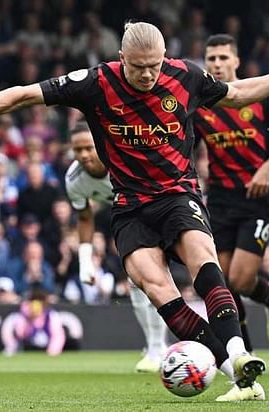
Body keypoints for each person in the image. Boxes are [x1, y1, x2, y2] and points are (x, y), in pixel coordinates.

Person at [0, 21, 269, 401]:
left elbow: (238, 93)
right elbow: (26, 94)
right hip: (130, 207)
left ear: (164, 57)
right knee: (159, 292)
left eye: (154, 65)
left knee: (204, 262)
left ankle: (240, 353)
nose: (147, 74)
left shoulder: (185, 75)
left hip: (177, 195)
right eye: (138, 66)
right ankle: (236, 376)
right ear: (122, 58)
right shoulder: (96, 82)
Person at [193, 34, 269, 351]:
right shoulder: (199, 106)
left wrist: (267, 168)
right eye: (212, 59)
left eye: (224, 58)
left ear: (236, 61)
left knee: (239, 279)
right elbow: (189, 150)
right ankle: (245, 351)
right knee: (222, 283)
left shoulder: (259, 95)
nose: (217, 64)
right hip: (221, 200)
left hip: (256, 199)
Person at [65, 121, 168, 373]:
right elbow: (85, 217)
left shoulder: (122, 159)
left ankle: (162, 347)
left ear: (99, 143)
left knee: (155, 280)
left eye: (89, 148)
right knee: (135, 284)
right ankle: (155, 347)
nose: (84, 155)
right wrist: (85, 261)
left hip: (160, 210)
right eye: (78, 150)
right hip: (129, 221)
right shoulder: (74, 179)